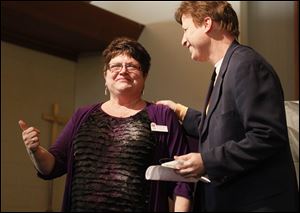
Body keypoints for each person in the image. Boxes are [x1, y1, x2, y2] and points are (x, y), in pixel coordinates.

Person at [18, 37, 193, 212]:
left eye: (131, 66)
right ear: (105, 75)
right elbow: (51, 166)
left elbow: (182, 178)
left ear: (144, 75)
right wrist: (34, 150)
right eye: (116, 66)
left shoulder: (162, 116)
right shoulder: (83, 115)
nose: (123, 71)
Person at [157, 1, 299, 212]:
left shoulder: (246, 65)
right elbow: (224, 126)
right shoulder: (226, 68)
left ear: (207, 23)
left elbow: (267, 135)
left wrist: (207, 161)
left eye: (186, 30)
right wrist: (181, 111)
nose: (183, 41)